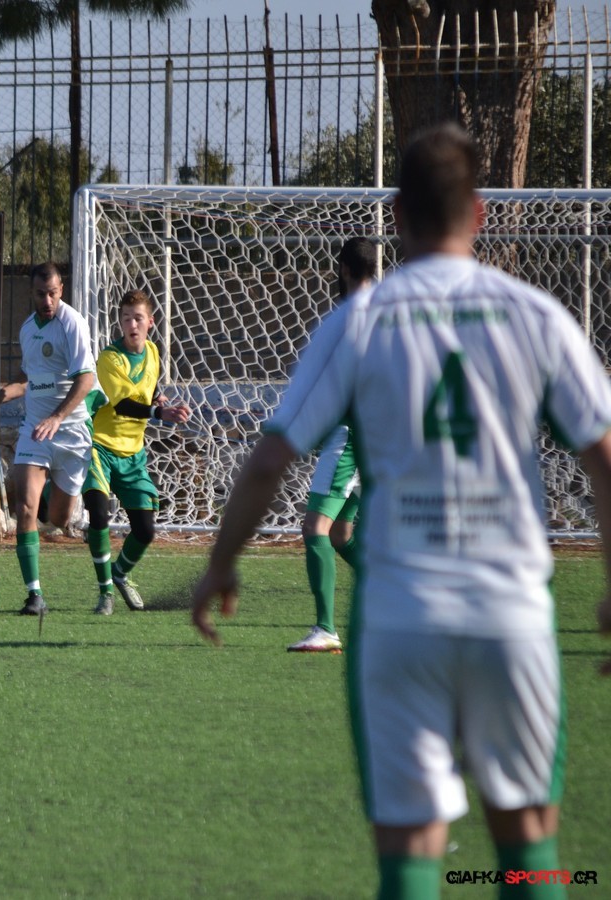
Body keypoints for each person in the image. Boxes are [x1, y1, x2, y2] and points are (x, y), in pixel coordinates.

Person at [191, 123, 611, 898]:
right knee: (528, 846)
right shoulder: (534, 315)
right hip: (510, 613)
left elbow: (270, 458)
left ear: (396, 215)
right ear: (479, 213)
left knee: (412, 851)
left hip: (400, 617)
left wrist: (221, 564)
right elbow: (604, 458)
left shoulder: (360, 319)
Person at [0, 262, 97, 616]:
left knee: (58, 519)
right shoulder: (28, 328)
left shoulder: (73, 324)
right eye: (41, 294)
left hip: (71, 432)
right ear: (32, 293)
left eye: (53, 293)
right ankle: (34, 595)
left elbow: (86, 380)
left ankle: (58, 498)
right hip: (35, 429)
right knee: (24, 507)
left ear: (62, 290)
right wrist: (0, 396)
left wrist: (58, 417)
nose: (47, 300)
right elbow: (27, 380)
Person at [287, 236, 377, 652]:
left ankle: (326, 628)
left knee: (315, 528)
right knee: (341, 532)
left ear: (342, 269)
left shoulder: (347, 318)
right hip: (375, 438)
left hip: (349, 437)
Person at [83, 289, 191, 615]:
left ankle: (119, 573)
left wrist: (158, 399)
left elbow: (149, 386)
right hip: (99, 446)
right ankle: (105, 592)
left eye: (138, 318)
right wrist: (159, 413)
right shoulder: (109, 358)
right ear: (120, 322)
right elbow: (125, 404)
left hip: (133, 453)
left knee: (145, 530)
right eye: (126, 318)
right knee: (98, 514)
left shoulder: (153, 352)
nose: (132, 324)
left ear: (150, 322)